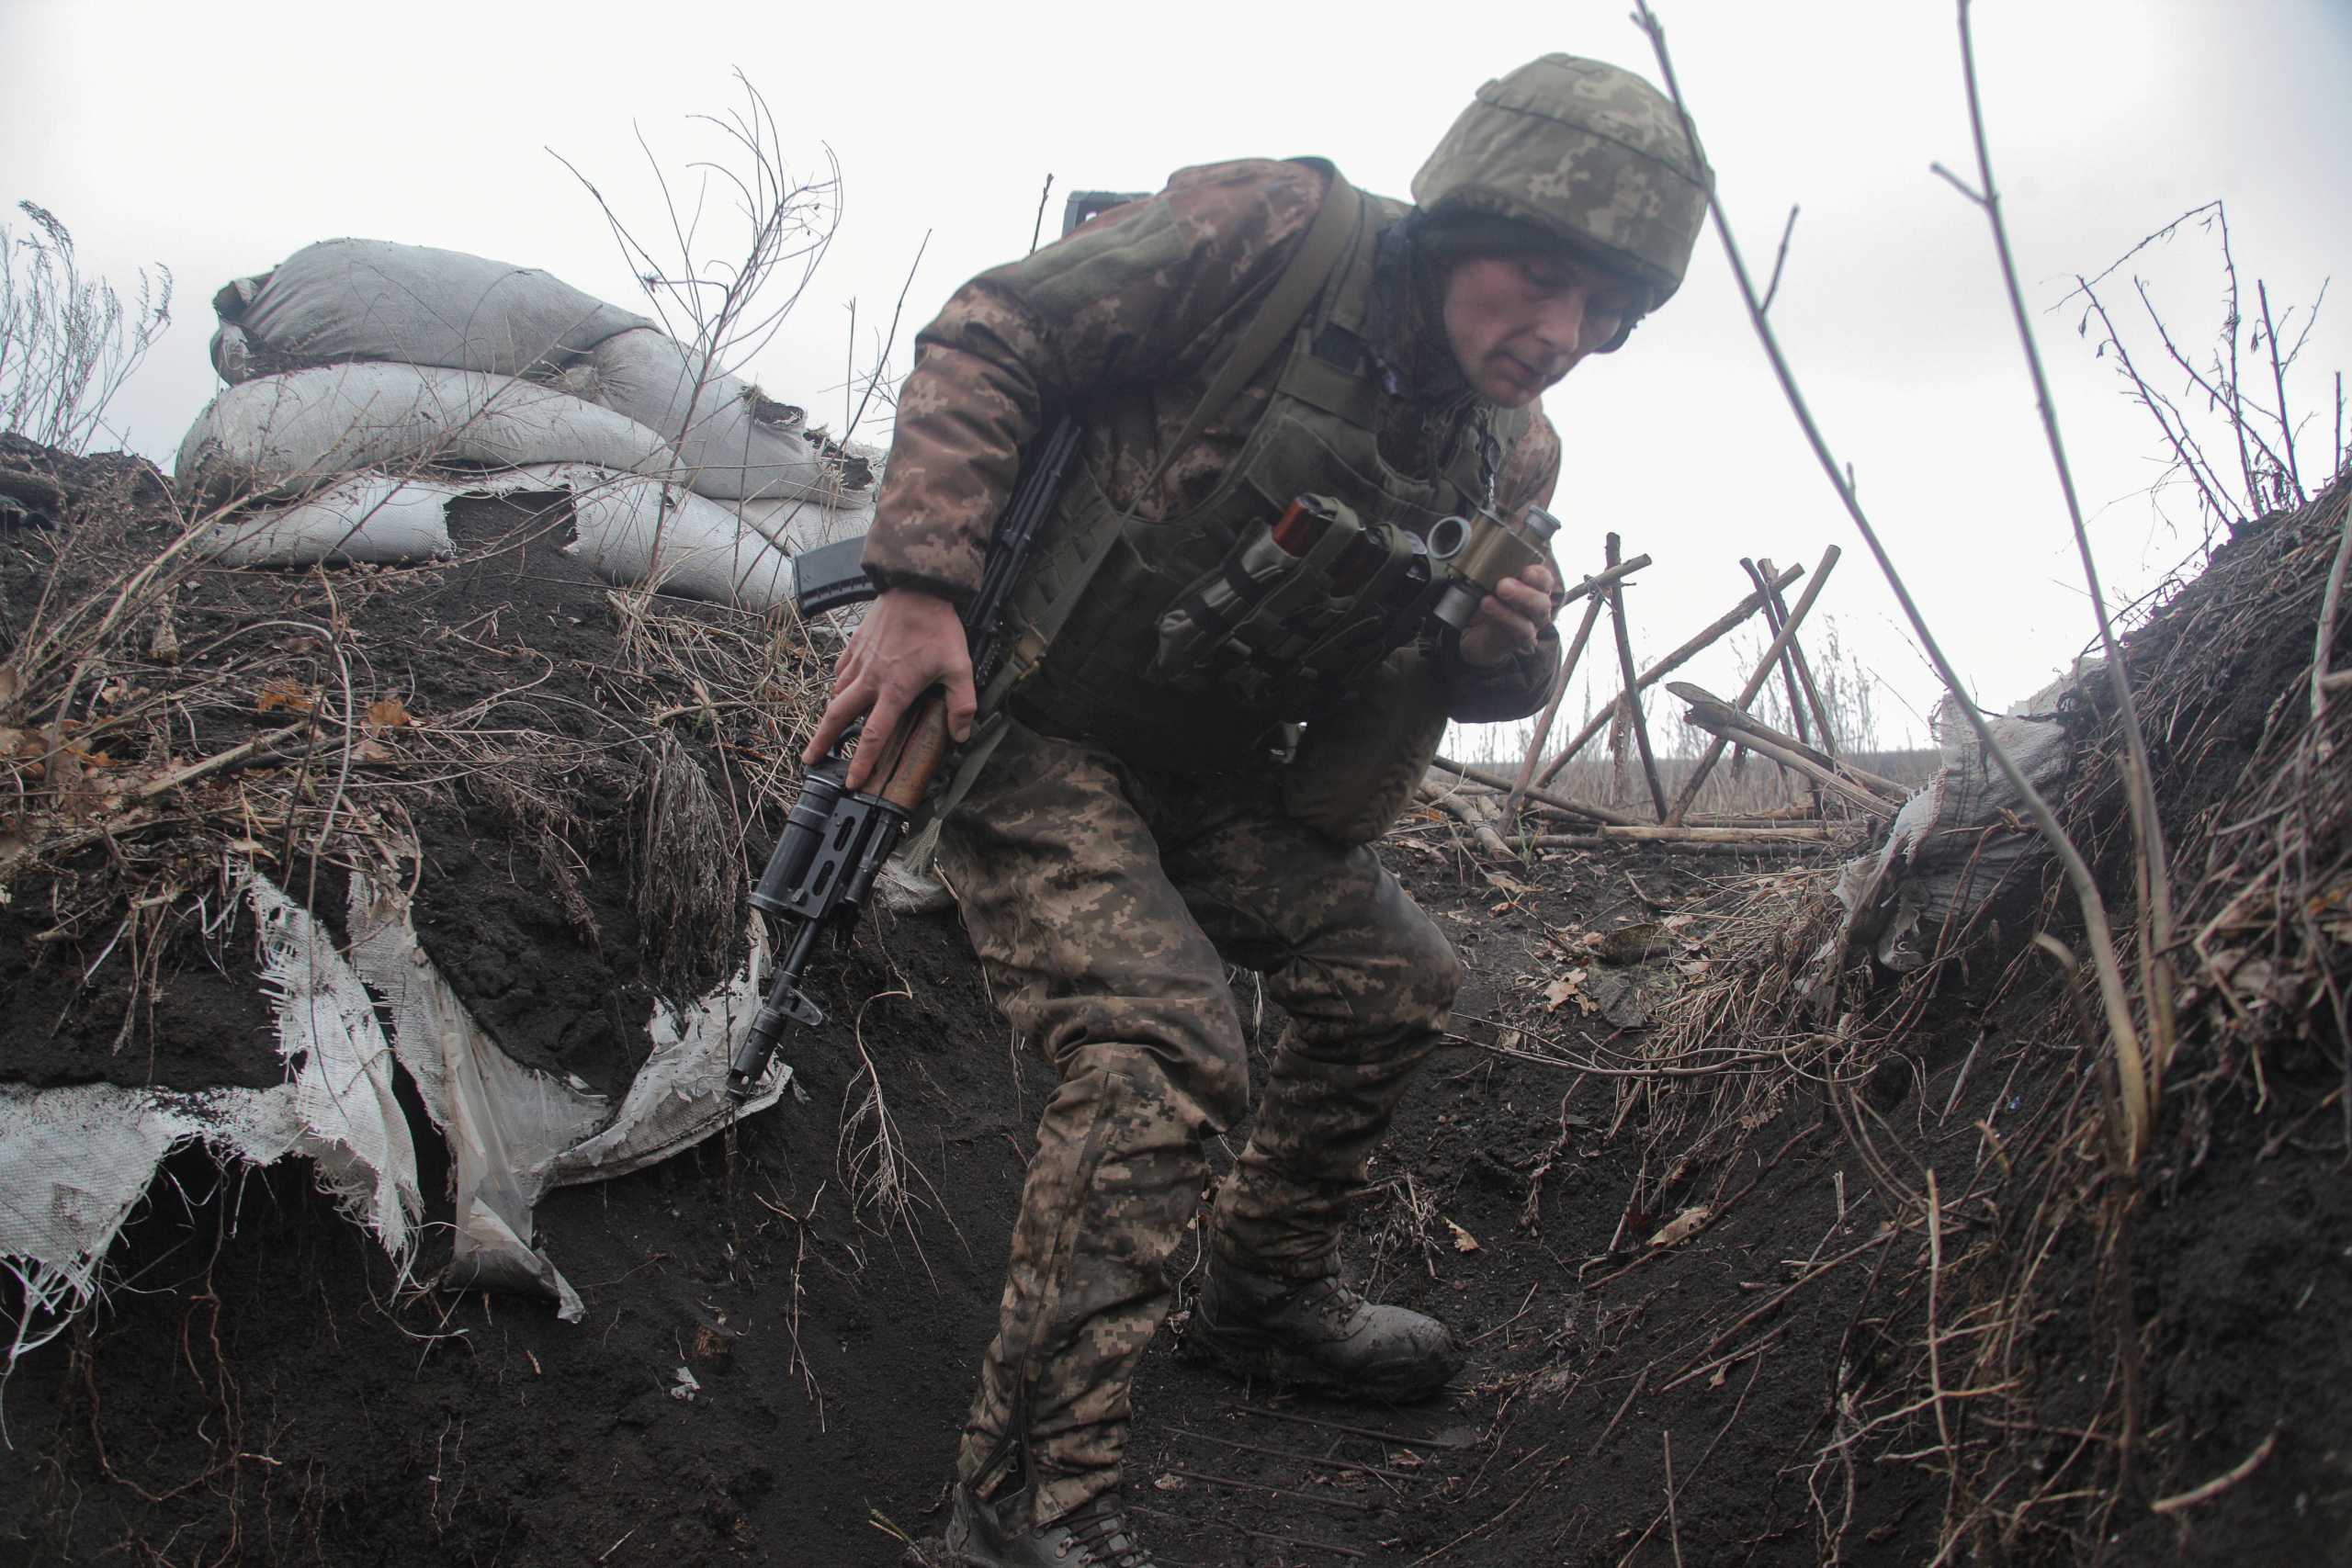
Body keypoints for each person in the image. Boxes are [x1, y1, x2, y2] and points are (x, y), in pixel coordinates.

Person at [803, 53, 1711, 1568]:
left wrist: (1499, 646)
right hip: (1030, 719)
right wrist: (919, 584)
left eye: (1604, 315)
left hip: (1216, 773)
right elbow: (996, 329)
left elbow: (1476, 669)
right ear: (1461, 223)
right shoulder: (1281, 235)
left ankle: (1261, 1300)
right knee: (1163, 1043)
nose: (1560, 337)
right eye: (1537, 283)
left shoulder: (1511, 448)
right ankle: (1025, 1507)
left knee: (1396, 977)